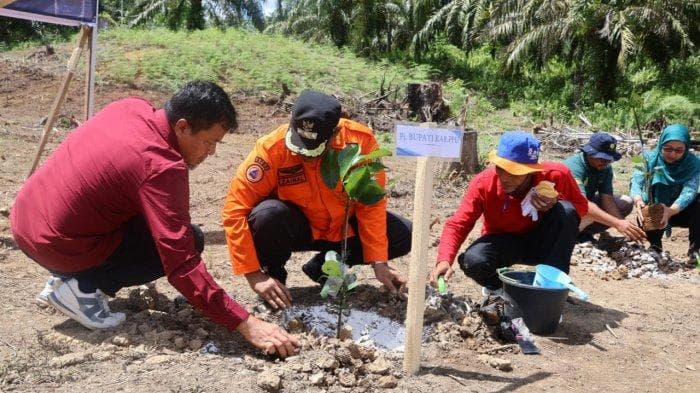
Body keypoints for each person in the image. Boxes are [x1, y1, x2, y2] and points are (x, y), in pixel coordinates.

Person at [10, 80, 299, 357]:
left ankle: (69, 277)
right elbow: (181, 264)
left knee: (159, 222)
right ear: (183, 127)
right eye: (209, 142)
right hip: (55, 244)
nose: (211, 152)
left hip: (26, 218)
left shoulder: (130, 107)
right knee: (192, 240)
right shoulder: (161, 166)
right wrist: (245, 323)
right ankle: (82, 288)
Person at [222, 90, 411, 310]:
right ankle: (274, 277)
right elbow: (235, 209)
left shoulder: (359, 143)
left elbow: (371, 204)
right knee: (268, 215)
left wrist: (379, 261)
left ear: (334, 134)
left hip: (343, 230)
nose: (304, 155)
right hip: (299, 230)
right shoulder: (271, 150)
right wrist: (254, 274)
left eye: (313, 151)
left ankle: (324, 266)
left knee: (403, 234)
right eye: (299, 145)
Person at [429, 131, 589, 295]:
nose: (504, 177)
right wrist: (444, 259)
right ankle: (499, 288)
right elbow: (458, 224)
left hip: (542, 242)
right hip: (504, 243)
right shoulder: (484, 183)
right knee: (473, 261)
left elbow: (582, 207)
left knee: (567, 211)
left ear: (530, 171)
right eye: (500, 167)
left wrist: (556, 202)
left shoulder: (556, 175)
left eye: (513, 171)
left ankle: (551, 291)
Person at [630, 123, 700, 261]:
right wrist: (638, 200)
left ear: (686, 149)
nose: (673, 154)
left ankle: (695, 250)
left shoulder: (694, 164)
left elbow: (689, 190)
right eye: (668, 149)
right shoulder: (649, 159)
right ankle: (655, 245)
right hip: (656, 208)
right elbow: (636, 181)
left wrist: (670, 210)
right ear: (661, 144)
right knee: (648, 207)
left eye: (679, 150)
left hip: (680, 210)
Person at [563, 132, 646, 243]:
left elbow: (607, 200)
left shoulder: (605, 168)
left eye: (609, 159)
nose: (606, 163)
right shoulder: (574, 167)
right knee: (586, 211)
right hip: (564, 208)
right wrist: (618, 223)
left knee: (625, 202)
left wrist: (624, 225)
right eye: (602, 158)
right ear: (589, 153)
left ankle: (583, 234)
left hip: (585, 204)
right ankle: (567, 236)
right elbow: (583, 204)